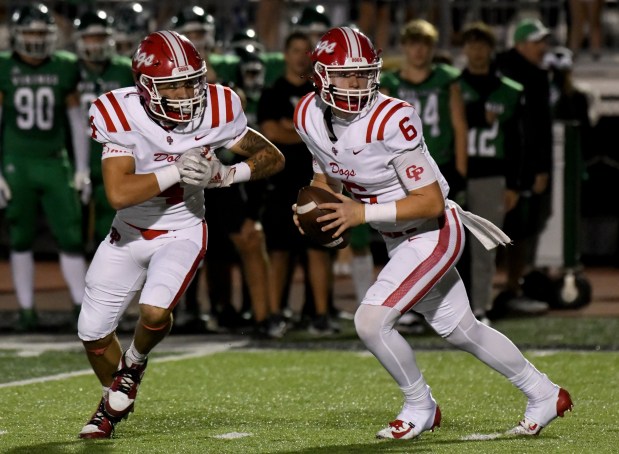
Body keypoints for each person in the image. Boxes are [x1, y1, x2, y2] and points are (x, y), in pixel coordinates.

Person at [293, 26, 572, 440]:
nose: (356, 83)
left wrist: (360, 212)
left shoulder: (392, 117)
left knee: (370, 321)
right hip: (395, 236)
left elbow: (430, 202)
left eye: (363, 73)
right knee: (463, 330)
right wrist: (313, 206)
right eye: (345, 74)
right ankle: (544, 392)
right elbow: (325, 173)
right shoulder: (308, 114)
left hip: (432, 231)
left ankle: (420, 404)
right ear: (321, 76)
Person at [77, 30, 284, 439]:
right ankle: (111, 399)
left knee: (154, 312)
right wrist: (177, 168)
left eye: (192, 80)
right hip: (128, 234)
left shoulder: (218, 106)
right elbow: (119, 194)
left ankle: (133, 366)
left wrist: (227, 174)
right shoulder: (119, 112)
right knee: (93, 334)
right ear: (145, 87)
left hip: (182, 229)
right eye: (173, 84)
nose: (187, 92)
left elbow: (272, 156)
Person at [0, 3, 90, 332]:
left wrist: (81, 167)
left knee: (69, 234)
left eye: (41, 32)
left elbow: (76, 120)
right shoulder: (4, 66)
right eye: (31, 32)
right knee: (20, 236)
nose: (36, 39)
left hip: (54, 159)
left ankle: (83, 308)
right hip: (17, 160)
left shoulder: (65, 66)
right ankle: (26, 310)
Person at [380, 18, 468, 331]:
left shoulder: (446, 79)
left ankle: (453, 307)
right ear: (404, 47)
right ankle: (414, 306)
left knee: (445, 237)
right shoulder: (389, 82)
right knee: (406, 238)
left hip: (438, 164)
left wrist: (460, 169)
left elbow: (459, 124)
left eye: (424, 44)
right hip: (403, 172)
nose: (418, 50)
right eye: (413, 43)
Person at [258, 30, 335, 334]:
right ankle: (276, 314)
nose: (301, 56)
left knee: (318, 249)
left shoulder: (322, 93)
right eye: (296, 50)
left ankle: (320, 314)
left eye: (307, 51)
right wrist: (308, 135)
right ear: (285, 54)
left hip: (316, 178)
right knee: (279, 251)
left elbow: (329, 134)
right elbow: (271, 133)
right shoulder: (273, 92)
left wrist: (291, 130)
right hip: (280, 181)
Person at [458, 22, 524, 324]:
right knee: (448, 247)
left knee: (485, 246)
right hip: (456, 173)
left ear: (490, 49)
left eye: (482, 44)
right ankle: (447, 309)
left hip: (491, 174)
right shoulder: (453, 86)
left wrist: (513, 183)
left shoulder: (509, 91)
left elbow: (514, 140)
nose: (477, 50)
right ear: (464, 49)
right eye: (471, 44)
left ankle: (480, 307)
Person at [493, 19, 553, 315]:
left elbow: (540, 126)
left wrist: (541, 166)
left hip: (514, 161)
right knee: (498, 230)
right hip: (499, 159)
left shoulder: (533, 74)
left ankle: (510, 289)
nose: (543, 48)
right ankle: (498, 289)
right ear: (521, 43)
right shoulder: (502, 70)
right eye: (537, 41)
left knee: (517, 230)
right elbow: (536, 126)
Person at [74, 10, 134, 249]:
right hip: (79, 155)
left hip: (115, 157)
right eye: (91, 37)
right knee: (72, 231)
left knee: (111, 231)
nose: (96, 43)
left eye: (100, 37)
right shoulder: (70, 68)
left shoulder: (124, 69)